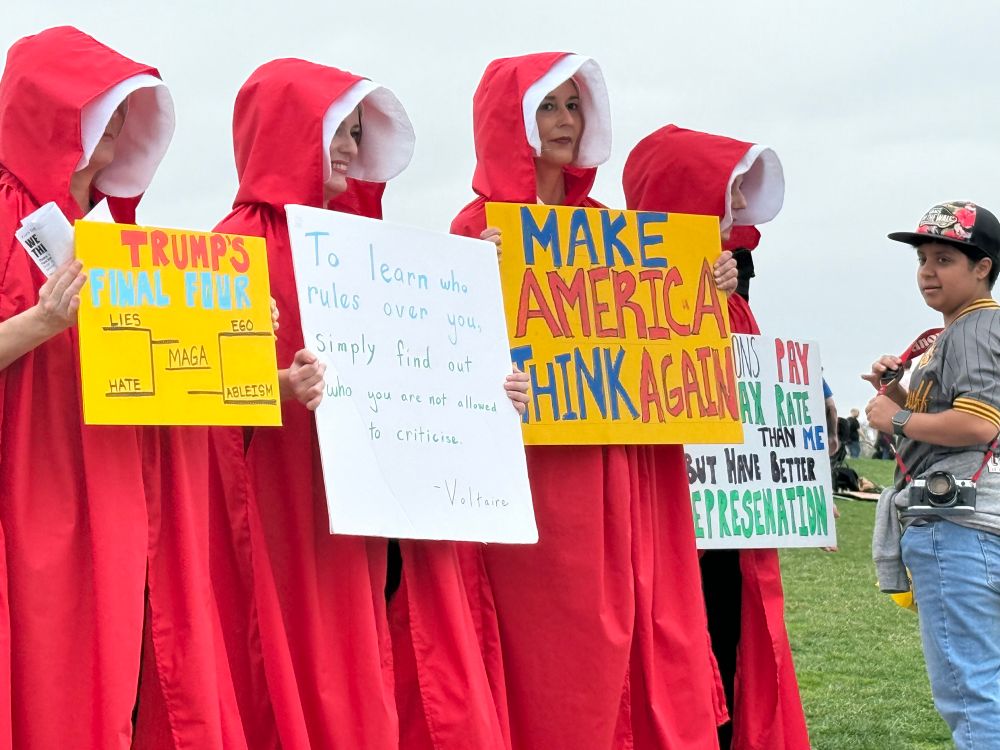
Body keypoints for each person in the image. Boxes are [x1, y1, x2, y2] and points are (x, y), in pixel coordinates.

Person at [209, 59, 527, 749]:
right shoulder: (230, 248)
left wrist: (485, 387)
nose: (352, 146)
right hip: (287, 503)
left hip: (381, 505)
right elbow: (200, 395)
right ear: (290, 132)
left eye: (357, 132)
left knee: (383, 659)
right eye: (336, 130)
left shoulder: (372, 248)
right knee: (308, 664)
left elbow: (420, 368)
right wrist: (278, 387)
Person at [452, 53, 737, 749]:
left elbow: (658, 344)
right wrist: (469, 282)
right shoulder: (473, 226)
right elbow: (453, 354)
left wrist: (710, 287)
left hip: (616, 465)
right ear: (511, 120)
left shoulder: (612, 228)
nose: (564, 122)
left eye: (575, 107)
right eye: (548, 106)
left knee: (628, 626)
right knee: (554, 638)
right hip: (534, 475)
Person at [0, 26, 249, 749]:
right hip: (26, 494)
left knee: (110, 681)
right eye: (97, 107)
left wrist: (238, 342)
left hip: (113, 493)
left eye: (122, 113)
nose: (113, 125)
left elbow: (182, 382)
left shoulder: (127, 251)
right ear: (47, 110)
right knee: (44, 669)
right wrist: (40, 323)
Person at [623, 124, 810, 749]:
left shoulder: (731, 288)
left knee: (728, 639)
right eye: (721, 190)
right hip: (669, 507)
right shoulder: (626, 287)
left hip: (726, 514)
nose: (732, 207)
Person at [870, 201, 1000, 749]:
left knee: (971, 692)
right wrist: (901, 395)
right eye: (922, 257)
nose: (926, 270)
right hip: (980, 515)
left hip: (959, 523)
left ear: (982, 268)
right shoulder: (969, 329)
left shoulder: (973, 326)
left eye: (944, 257)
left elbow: (975, 423)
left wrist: (894, 415)